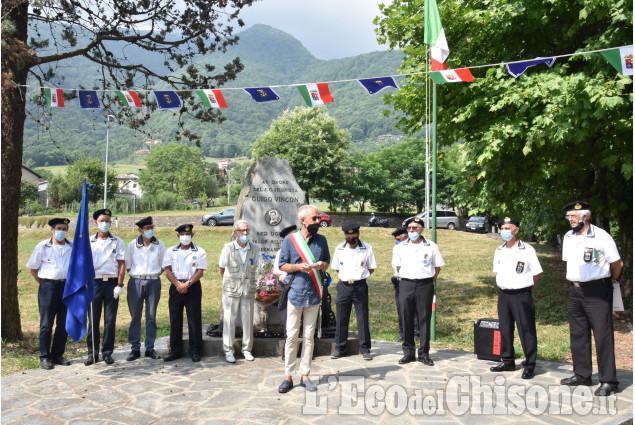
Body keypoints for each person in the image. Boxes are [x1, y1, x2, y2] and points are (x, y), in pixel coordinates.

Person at [560, 201, 622, 396]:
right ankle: (582, 374)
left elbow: (617, 263)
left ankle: (608, 381)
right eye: (568, 216)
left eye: (573, 216)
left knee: (602, 335)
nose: (570, 220)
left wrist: (608, 280)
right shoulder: (569, 237)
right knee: (578, 333)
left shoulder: (601, 236)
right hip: (575, 290)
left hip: (597, 289)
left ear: (585, 216)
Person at [278, 205, 330, 394]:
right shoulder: (290, 240)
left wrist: (321, 265)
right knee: (292, 336)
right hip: (295, 293)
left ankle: (305, 375)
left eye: (318, 218)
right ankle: (288, 376)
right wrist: (297, 268)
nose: (318, 221)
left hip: (314, 295)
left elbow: (326, 262)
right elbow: (282, 265)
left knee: (309, 337)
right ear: (303, 221)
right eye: (314, 219)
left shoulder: (321, 240)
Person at [489, 217, 542, 379]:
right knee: (505, 328)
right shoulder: (499, 250)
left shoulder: (527, 250)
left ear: (516, 230)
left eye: (508, 228)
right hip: (504, 294)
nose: (505, 231)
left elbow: (537, 274)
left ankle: (530, 364)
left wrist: (525, 288)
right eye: (502, 228)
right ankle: (507, 360)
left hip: (521, 294)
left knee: (526, 329)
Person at [392, 216, 444, 366]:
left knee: (424, 319)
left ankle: (424, 354)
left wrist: (427, 280)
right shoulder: (400, 246)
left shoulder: (431, 246)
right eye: (409, 228)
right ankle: (408, 353)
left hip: (424, 285)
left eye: (415, 228)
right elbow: (398, 267)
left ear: (421, 229)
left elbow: (437, 267)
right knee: (406, 317)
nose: (411, 231)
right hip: (406, 284)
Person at [26, 217, 73, 370]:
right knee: (46, 324)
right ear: (52, 230)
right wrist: (45, 284)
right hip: (48, 287)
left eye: (64, 229)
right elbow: (33, 269)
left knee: (63, 323)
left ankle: (57, 355)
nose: (62, 232)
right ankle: (45, 356)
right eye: (59, 229)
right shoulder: (43, 246)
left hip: (66, 286)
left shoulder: (71, 246)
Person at [85, 209, 126, 366]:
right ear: (95, 222)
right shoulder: (88, 241)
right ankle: (92, 353)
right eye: (102, 221)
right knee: (93, 321)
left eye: (107, 221)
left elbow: (122, 263)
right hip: (94, 283)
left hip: (111, 283)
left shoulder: (117, 241)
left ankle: (107, 352)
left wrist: (119, 284)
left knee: (110, 320)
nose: (105, 224)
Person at [330, 223, 377, 360]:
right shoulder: (339, 248)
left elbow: (371, 268)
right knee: (341, 318)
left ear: (358, 234)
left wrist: (358, 277)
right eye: (348, 235)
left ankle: (365, 349)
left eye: (353, 235)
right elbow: (337, 268)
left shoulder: (367, 248)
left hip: (360, 286)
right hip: (344, 286)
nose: (350, 237)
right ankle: (340, 348)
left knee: (362, 317)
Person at [163, 224, 207, 362]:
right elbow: (167, 270)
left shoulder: (199, 251)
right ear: (178, 236)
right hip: (176, 286)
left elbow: (200, 272)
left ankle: (195, 350)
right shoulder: (171, 251)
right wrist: (178, 284)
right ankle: (175, 350)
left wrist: (187, 284)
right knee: (175, 319)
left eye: (187, 234)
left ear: (192, 235)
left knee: (194, 319)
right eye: (182, 234)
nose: (185, 237)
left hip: (192, 286)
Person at [124, 216, 166, 361]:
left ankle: (150, 347)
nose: (150, 230)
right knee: (135, 316)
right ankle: (134, 348)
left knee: (151, 315)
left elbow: (163, 265)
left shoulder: (159, 244)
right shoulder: (132, 245)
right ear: (140, 230)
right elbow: (128, 265)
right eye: (147, 228)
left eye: (151, 228)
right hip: (136, 281)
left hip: (153, 281)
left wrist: (152, 275)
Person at [218, 219, 259, 363]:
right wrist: (231, 282)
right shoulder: (228, 248)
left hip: (248, 289)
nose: (246, 233)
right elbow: (221, 269)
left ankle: (247, 349)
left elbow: (257, 268)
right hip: (231, 289)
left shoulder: (254, 249)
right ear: (236, 232)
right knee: (229, 320)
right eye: (242, 231)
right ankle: (228, 350)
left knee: (248, 320)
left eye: (247, 230)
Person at [272, 224, 298, 360]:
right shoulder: (281, 251)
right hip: (289, 289)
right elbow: (279, 272)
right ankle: (287, 351)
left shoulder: (304, 249)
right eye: (292, 236)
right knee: (289, 321)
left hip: (304, 289)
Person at [391, 227, 419, 342]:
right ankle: (402, 332)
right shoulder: (397, 248)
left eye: (399, 239)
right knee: (401, 308)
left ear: (406, 237)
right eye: (396, 240)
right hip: (399, 281)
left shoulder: (415, 248)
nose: (397, 242)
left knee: (415, 309)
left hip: (412, 281)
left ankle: (416, 333)